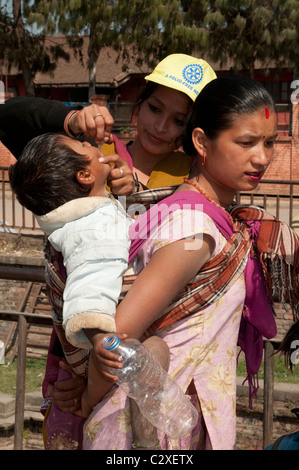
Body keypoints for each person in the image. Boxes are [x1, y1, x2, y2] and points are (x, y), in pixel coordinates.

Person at [1, 54, 218, 449]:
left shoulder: (193, 178)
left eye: (178, 120)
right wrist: (70, 120)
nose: (160, 126)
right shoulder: (94, 152)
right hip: (88, 349)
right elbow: (9, 117)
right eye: (154, 108)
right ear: (137, 105)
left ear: (193, 130)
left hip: (159, 356)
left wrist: (133, 196)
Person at [75, 75, 299, 450]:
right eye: (245, 142)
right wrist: (85, 401)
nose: (261, 157)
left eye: (269, 142)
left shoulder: (210, 216)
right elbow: (118, 337)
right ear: (201, 142)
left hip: (174, 420)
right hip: (152, 432)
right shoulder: (194, 229)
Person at [8, 132, 171, 439]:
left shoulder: (90, 216)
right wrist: (99, 339)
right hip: (104, 348)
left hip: (96, 350)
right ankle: (140, 440)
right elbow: (88, 288)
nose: (94, 146)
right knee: (155, 353)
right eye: (84, 146)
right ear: (84, 175)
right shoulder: (95, 225)